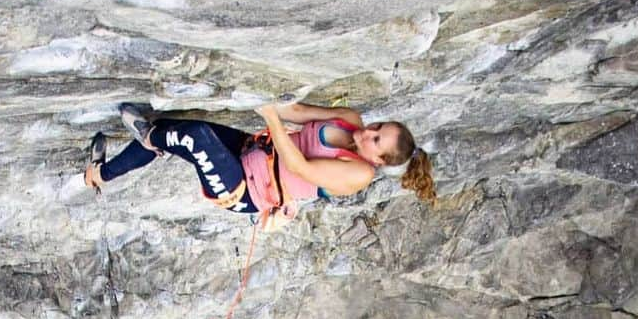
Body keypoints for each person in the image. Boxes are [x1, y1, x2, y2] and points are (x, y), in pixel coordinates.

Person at [84, 102, 436, 222]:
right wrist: (268, 102)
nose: (368, 132)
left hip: (246, 191)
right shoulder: (349, 118)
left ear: (379, 160)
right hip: (253, 151)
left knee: (192, 137)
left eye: (375, 141)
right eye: (377, 127)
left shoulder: (359, 174)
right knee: (176, 130)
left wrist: (270, 117)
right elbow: (297, 112)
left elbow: (301, 167)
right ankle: (99, 174)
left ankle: (148, 136)